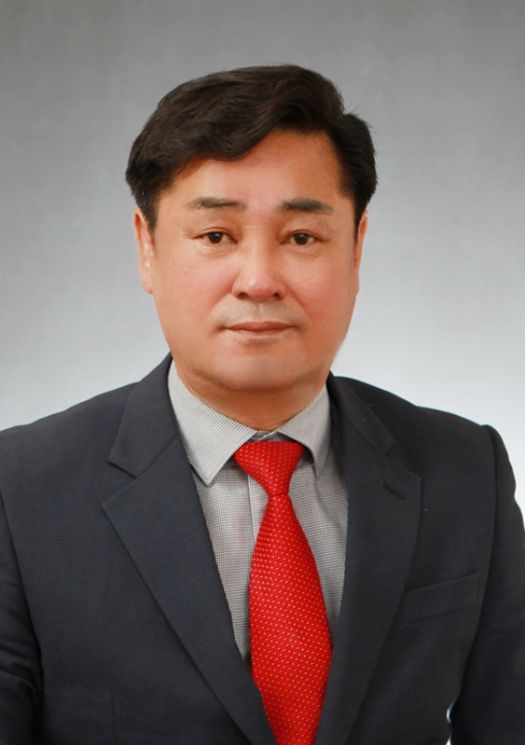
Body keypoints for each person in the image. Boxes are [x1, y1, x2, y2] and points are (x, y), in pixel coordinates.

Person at [0, 64, 524, 745]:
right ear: (147, 248)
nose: (258, 280)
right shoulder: (21, 488)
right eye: (216, 235)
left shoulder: (464, 471)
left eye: (300, 237)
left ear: (356, 247)